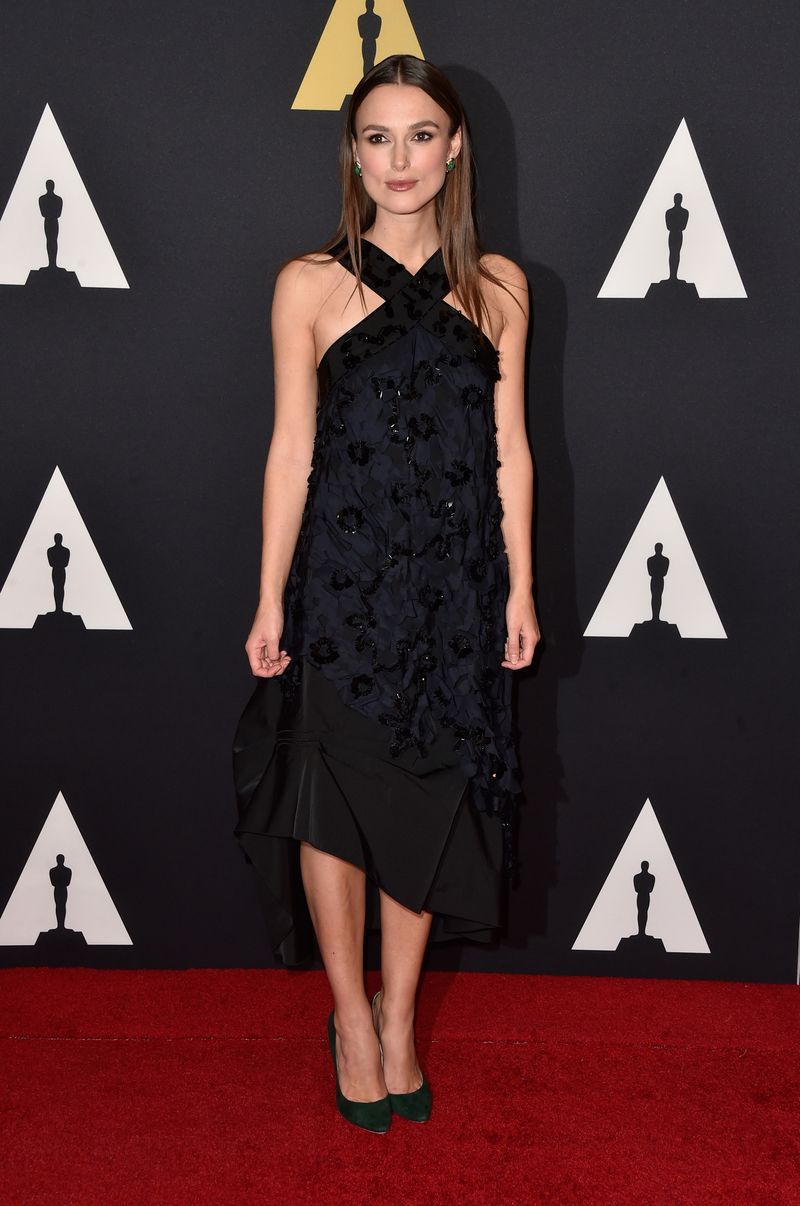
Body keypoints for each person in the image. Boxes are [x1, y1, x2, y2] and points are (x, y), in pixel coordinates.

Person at [232, 52, 539, 1133]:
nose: (398, 159)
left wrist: (520, 588)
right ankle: (349, 1023)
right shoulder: (307, 285)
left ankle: (398, 1018)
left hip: (454, 592)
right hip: (343, 588)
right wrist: (270, 596)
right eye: (377, 137)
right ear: (351, 155)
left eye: (420, 135)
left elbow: (509, 450)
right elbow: (290, 452)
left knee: (426, 802)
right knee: (332, 805)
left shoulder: (498, 287)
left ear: (454, 150)